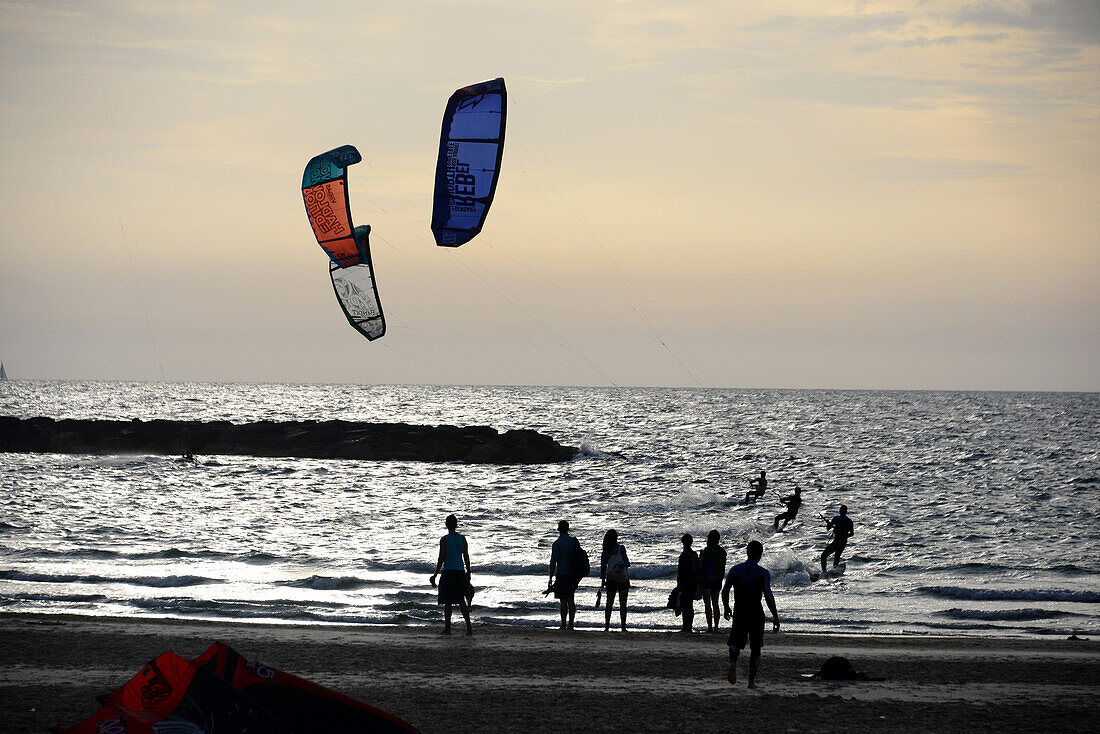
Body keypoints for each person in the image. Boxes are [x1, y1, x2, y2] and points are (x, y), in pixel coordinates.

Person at [722, 540, 780, 688]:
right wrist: (775, 616)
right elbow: (768, 595)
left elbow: (725, 590)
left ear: (747, 553)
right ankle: (751, 681)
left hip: (739, 610)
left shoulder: (735, 570)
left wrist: (726, 607)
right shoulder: (762, 573)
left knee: (735, 641)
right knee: (755, 647)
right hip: (755, 611)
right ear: (759, 555)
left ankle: (733, 661)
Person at [429, 514, 472, 636]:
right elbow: (466, 556)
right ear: (456, 525)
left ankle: (448, 628)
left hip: (448, 572)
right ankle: (469, 628)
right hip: (459, 572)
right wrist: (468, 572)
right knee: (461, 601)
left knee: (448, 601)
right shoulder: (462, 539)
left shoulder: (444, 540)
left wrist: (435, 574)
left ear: (446, 525)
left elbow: (441, 558)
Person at [549, 520, 580, 630]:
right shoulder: (573, 542)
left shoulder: (557, 543)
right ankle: (571, 624)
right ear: (568, 529)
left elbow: (553, 562)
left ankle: (563, 624)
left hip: (562, 574)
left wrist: (550, 577)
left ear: (559, 530)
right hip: (572, 574)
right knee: (571, 599)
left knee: (563, 600)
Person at [598, 529, 630, 632]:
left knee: (609, 604)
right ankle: (623, 627)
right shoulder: (621, 548)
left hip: (611, 579)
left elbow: (603, 567)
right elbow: (627, 563)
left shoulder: (606, 551)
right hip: (623, 579)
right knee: (623, 604)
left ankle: (607, 626)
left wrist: (603, 581)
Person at [699, 530, 727, 632]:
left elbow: (701, 566)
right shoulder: (722, 552)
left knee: (707, 605)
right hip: (717, 579)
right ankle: (716, 626)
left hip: (706, 579)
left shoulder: (706, 551)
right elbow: (723, 567)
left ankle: (709, 627)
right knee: (715, 603)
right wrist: (720, 577)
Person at [676, 534, 701, 633]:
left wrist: (678, 585)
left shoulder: (683, 555)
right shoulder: (694, 554)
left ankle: (686, 627)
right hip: (693, 582)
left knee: (685, 605)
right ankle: (688, 626)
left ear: (683, 542)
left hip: (685, 583)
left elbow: (680, 572)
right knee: (689, 605)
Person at [820, 504, 854, 573]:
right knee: (837, 556)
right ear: (846, 512)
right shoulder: (850, 521)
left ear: (839, 511)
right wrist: (844, 536)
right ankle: (834, 570)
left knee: (823, 556)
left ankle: (824, 572)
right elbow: (852, 533)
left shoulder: (836, 518)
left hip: (836, 541)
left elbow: (828, 528)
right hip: (843, 543)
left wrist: (829, 523)